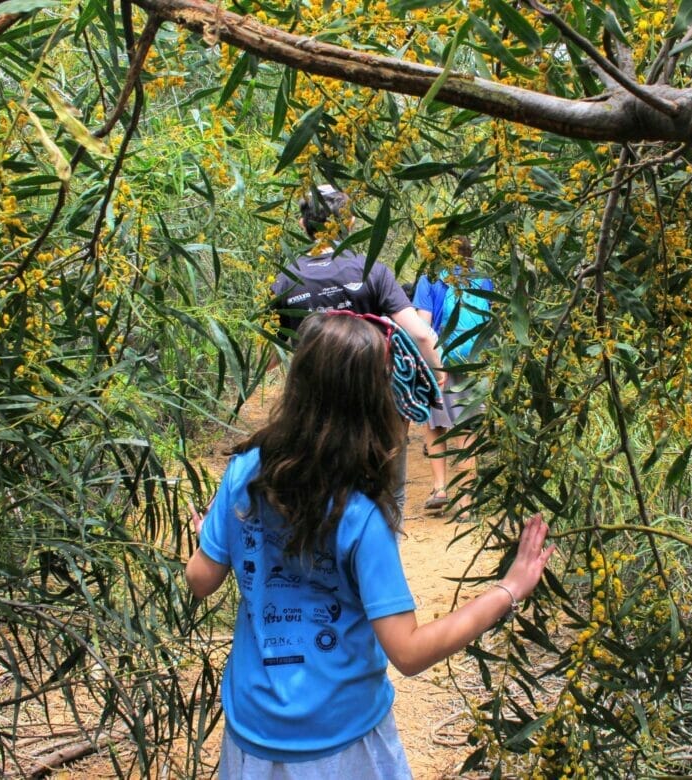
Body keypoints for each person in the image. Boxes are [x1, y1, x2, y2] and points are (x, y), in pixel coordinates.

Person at [186, 312, 554, 778]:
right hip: (342, 739)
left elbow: (200, 580)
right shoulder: (359, 514)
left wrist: (208, 535)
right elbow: (409, 652)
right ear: (373, 402)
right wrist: (508, 589)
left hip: (254, 733)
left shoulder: (244, 472)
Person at [270, 184, 444, 516]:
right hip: (374, 399)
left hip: (312, 406)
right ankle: (381, 547)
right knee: (388, 493)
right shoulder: (371, 270)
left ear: (303, 225)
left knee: (320, 489)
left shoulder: (285, 280)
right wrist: (436, 373)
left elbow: (270, 354)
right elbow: (421, 335)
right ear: (349, 223)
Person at [411, 236, 494, 514]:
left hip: (441, 361)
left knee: (435, 424)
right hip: (475, 360)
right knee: (467, 427)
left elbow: (423, 327)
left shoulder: (430, 280)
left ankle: (440, 489)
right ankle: (467, 501)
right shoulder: (483, 280)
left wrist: (426, 365)